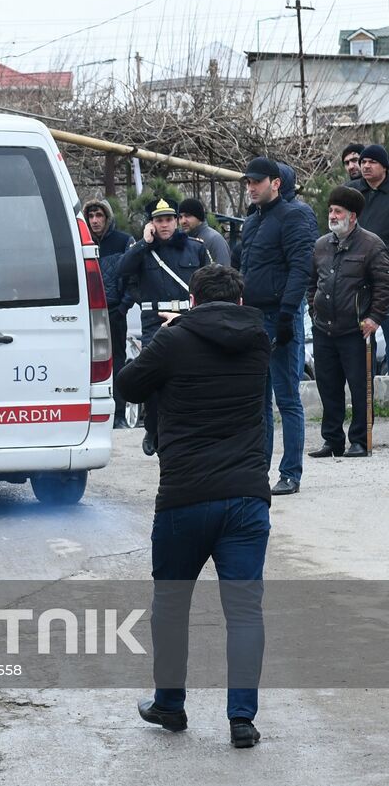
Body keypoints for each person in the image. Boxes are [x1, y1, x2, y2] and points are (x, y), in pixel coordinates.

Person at [115, 264, 272, 750]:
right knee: (245, 611)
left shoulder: (173, 340)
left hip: (185, 496)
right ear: (240, 302)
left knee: (171, 605)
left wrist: (168, 333)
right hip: (247, 497)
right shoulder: (259, 341)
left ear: (193, 301)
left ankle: (170, 703)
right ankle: (241, 719)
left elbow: (127, 386)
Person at [237, 156, 316, 496]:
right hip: (253, 318)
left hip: (280, 317)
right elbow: (246, 269)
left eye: (256, 181)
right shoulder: (252, 221)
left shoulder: (295, 215)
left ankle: (290, 473)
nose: (250, 187)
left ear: (275, 183)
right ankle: (259, 470)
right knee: (257, 401)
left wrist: (286, 315)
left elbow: (302, 267)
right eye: (248, 182)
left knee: (287, 398)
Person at [116, 198, 212, 455]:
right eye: (159, 220)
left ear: (177, 220)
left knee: (191, 375)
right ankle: (153, 427)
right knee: (154, 376)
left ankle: (188, 429)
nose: (166, 225)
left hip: (188, 319)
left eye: (169, 219)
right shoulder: (142, 250)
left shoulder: (195, 248)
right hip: (154, 323)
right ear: (152, 224)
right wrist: (144, 243)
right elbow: (122, 270)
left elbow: (209, 280)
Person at [307, 185, 389, 461]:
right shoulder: (321, 245)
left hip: (356, 330)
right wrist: (313, 311)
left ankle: (359, 440)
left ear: (352, 216)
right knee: (328, 387)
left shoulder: (372, 244)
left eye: (337, 211)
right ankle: (332, 440)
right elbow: (312, 283)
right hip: (323, 329)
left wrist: (375, 317)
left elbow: (384, 285)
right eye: (330, 210)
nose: (332, 215)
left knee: (359, 387)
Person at [83, 199, 136, 428]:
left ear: (107, 218)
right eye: (91, 216)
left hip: (114, 312)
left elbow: (134, 277)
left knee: (118, 363)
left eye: (99, 216)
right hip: (86, 314)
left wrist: (123, 307)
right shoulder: (80, 241)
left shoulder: (123, 241)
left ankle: (119, 415)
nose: (95, 221)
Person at [351, 144, 389, 246]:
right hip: (352, 256)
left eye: (372, 162)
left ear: (384, 167)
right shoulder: (350, 191)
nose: (366, 166)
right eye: (363, 162)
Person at [177, 199, 232, 267]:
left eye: (188, 216)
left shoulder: (214, 240)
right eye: (180, 217)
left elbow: (223, 273)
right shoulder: (180, 240)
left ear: (199, 217)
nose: (183, 221)